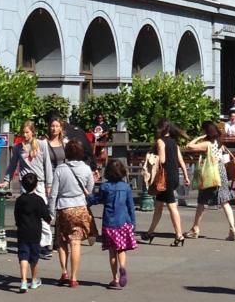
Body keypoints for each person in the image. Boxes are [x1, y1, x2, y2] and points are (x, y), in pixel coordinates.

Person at [48, 139, 95, 286]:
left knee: (62, 241)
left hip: (64, 207)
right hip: (80, 206)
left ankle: (64, 272)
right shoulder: (86, 169)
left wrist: (51, 211)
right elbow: (90, 189)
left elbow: (53, 193)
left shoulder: (61, 169)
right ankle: (74, 278)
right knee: (75, 243)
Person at [184, 119, 235, 241]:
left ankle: (195, 228)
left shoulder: (207, 144)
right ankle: (232, 228)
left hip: (210, 173)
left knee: (202, 201)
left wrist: (198, 138)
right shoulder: (219, 142)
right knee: (225, 201)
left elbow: (189, 146)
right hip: (221, 171)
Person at [141, 119, 190, 245]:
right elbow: (181, 161)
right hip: (173, 177)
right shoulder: (174, 143)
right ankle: (150, 232)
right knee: (158, 206)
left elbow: (162, 160)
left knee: (172, 206)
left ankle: (179, 235)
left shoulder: (160, 141)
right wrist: (186, 176)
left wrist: (151, 156)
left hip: (164, 178)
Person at [89, 159, 137, 287]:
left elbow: (97, 199)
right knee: (121, 249)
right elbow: (130, 207)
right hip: (123, 222)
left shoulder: (105, 187)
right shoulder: (126, 187)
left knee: (112, 251)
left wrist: (89, 197)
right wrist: (133, 224)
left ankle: (115, 278)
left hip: (109, 223)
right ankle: (122, 267)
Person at [14, 172, 52, 292]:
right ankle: (34, 279)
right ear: (36, 185)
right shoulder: (39, 200)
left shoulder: (19, 200)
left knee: (23, 256)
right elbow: (46, 216)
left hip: (22, 231)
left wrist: (18, 224)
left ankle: (23, 281)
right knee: (34, 257)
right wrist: (50, 219)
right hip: (35, 232)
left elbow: (17, 215)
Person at [3, 119, 53, 197]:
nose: (24, 135)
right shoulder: (18, 147)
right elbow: (12, 165)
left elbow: (47, 164)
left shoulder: (42, 144)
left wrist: (49, 184)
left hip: (39, 183)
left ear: (32, 132)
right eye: (23, 132)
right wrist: (6, 181)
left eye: (27, 132)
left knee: (41, 207)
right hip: (25, 184)